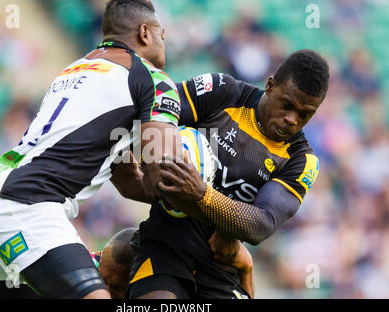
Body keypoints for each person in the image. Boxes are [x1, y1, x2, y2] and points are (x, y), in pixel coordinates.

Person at [0, 0, 184, 299]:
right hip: (30, 204)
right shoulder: (150, 77)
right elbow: (163, 170)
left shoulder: (75, 69)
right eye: (163, 35)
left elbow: (125, 177)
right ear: (145, 33)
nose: (165, 45)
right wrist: (204, 202)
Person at [113, 49, 329, 298]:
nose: (292, 119)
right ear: (270, 85)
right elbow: (151, 115)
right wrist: (130, 171)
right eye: (287, 105)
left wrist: (203, 194)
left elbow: (261, 224)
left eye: (305, 114)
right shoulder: (223, 91)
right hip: (164, 245)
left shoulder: (302, 160)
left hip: (220, 267)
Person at [93, 227, 254, 299]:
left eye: (116, 289)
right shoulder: (88, 267)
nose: (104, 292)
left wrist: (247, 268)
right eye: (101, 280)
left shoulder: (177, 286)